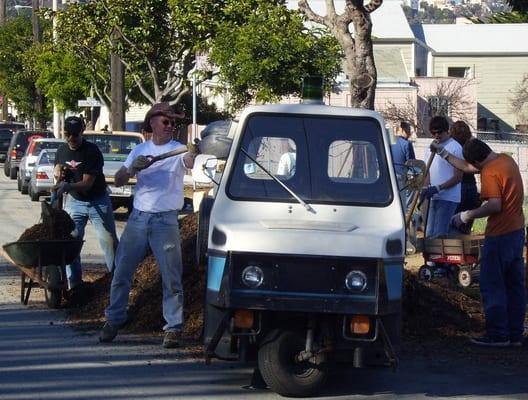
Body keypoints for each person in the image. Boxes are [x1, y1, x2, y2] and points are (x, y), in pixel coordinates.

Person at [100, 102, 196, 348]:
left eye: (173, 123)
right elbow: (119, 178)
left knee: (171, 277)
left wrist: (194, 150)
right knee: (122, 271)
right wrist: (134, 167)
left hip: (166, 220)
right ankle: (114, 319)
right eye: (166, 122)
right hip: (139, 219)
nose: (170, 126)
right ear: (152, 122)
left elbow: (189, 161)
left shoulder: (179, 150)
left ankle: (173, 327)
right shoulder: (139, 150)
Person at [431, 138, 525, 347]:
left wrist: (466, 215)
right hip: (517, 232)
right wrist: (443, 153)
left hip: (500, 234)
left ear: (477, 160)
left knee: (492, 283)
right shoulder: (506, 161)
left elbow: (494, 205)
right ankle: (515, 334)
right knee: (514, 284)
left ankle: (498, 334)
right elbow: (467, 167)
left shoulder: (490, 172)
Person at [53, 116, 118, 300]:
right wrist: (58, 174)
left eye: (76, 134)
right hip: (75, 202)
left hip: (98, 199)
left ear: (82, 132)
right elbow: (58, 167)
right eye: (68, 134)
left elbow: (87, 184)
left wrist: (68, 187)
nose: (72, 138)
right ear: (64, 133)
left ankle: (117, 280)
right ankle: (75, 285)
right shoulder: (62, 150)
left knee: (108, 241)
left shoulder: (92, 151)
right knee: (72, 242)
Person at [421, 116, 463, 238]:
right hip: (433, 197)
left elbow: (458, 177)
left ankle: (438, 257)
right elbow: (427, 171)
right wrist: (425, 187)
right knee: (428, 234)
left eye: (439, 132)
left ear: (446, 130)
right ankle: (430, 257)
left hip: (448, 198)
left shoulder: (455, 147)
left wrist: (438, 188)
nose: (437, 135)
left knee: (439, 235)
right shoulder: (432, 147)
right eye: (433, 133)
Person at [449, 121, 480, 234]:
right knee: (466, 223)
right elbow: (480, 166)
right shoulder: (471, 146)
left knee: (453, 222)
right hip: (471, 186)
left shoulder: (453, 147)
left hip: (458, 186)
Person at [390, 121, 416, 210]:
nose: (409, 133)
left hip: (391, 176)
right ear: (401, 130)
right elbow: (412, 163)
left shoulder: (391, 142)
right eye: (407, 130)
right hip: (402, 176)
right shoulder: (407, 144)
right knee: (406, 200)